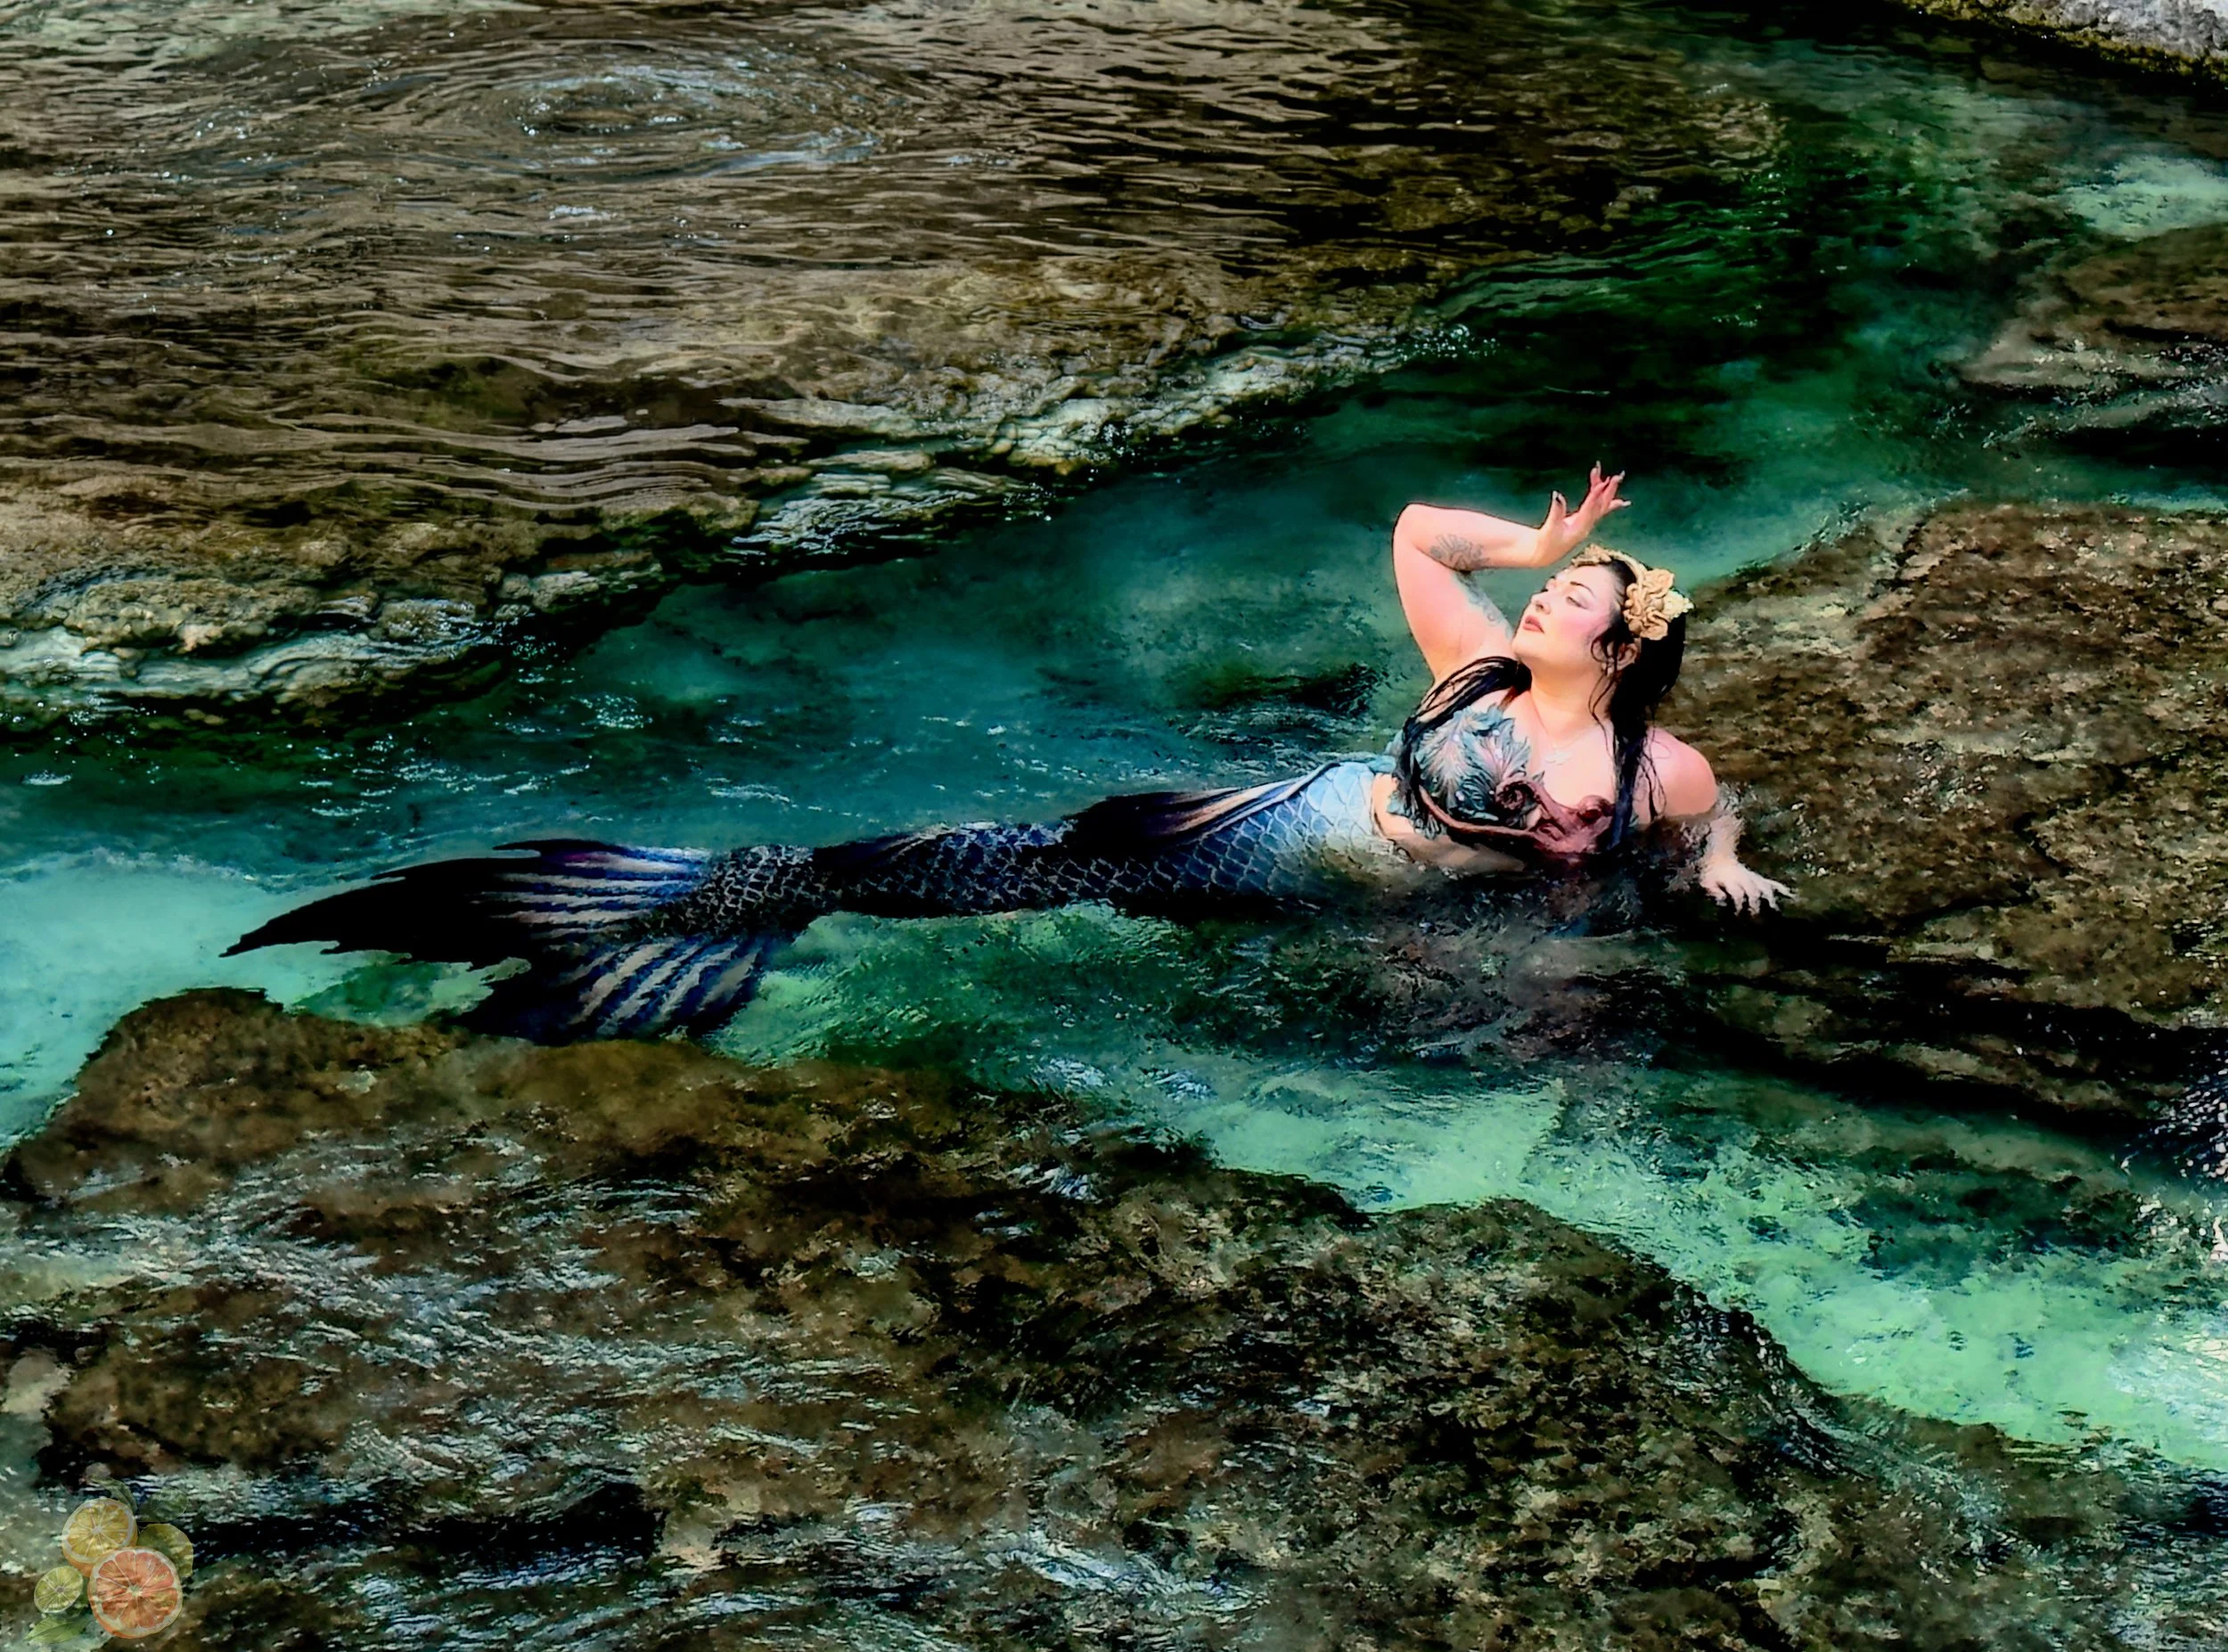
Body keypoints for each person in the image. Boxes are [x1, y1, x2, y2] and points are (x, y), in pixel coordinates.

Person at [229, 467, 1790, 1042]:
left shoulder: (1667, 772)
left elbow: (1695, 840)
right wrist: (1534, 531)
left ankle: (718, 910)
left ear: (1630, 644)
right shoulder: (1482, 662)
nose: (1548, 591)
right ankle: (731, 899)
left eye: (1577, 588)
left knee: (1129, 937)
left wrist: (1724, 866)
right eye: (1553, 580)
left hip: (1382, 915)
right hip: (1285, 827)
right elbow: (1414, 531)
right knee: (1033, 862)